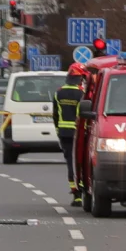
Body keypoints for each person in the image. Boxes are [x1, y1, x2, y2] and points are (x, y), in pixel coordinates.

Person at [52, 63, 87, 205]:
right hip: (78, 134)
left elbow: (55, 115)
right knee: (81, 162)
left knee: (70, 163)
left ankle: (76, 195)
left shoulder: (58, 93)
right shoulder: (81, 94)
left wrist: (58, 131)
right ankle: (83, 189)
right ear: (79, 78)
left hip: (64, 133)